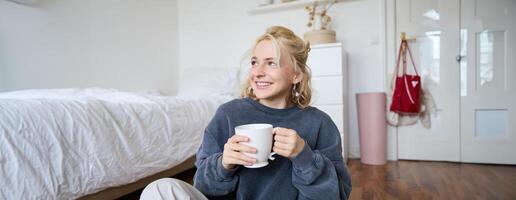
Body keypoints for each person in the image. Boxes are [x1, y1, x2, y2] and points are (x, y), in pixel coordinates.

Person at [141, 26, 352, 200]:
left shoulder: (319, 123)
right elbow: (202, 186)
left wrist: (304, 157)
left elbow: (338, 195)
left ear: (296, 74)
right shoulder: (228, 114)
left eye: (271, 63)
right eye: (254, 62)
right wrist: (224, 164)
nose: (258, 71)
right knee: (159, 189)